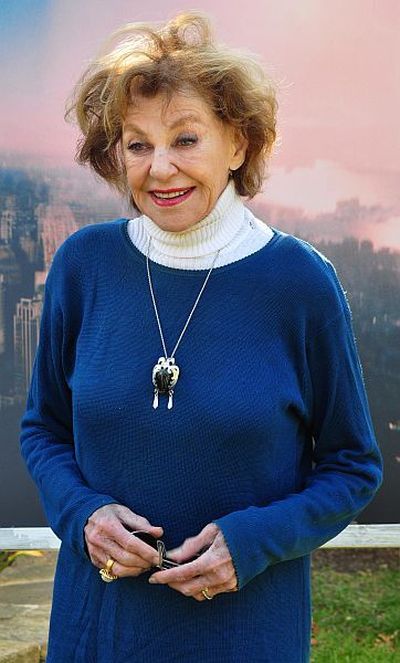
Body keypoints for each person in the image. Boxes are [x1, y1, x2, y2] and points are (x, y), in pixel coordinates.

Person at [20, 10, 383, 662]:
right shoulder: (83, 265)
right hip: (96, 631)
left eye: (186, 140)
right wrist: (82, 515)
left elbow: (353, 466)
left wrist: (254, 541)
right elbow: (43, 430)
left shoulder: (300, 282)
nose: (160, 169)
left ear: (239, 144)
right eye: (137, 144)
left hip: (242, 632)